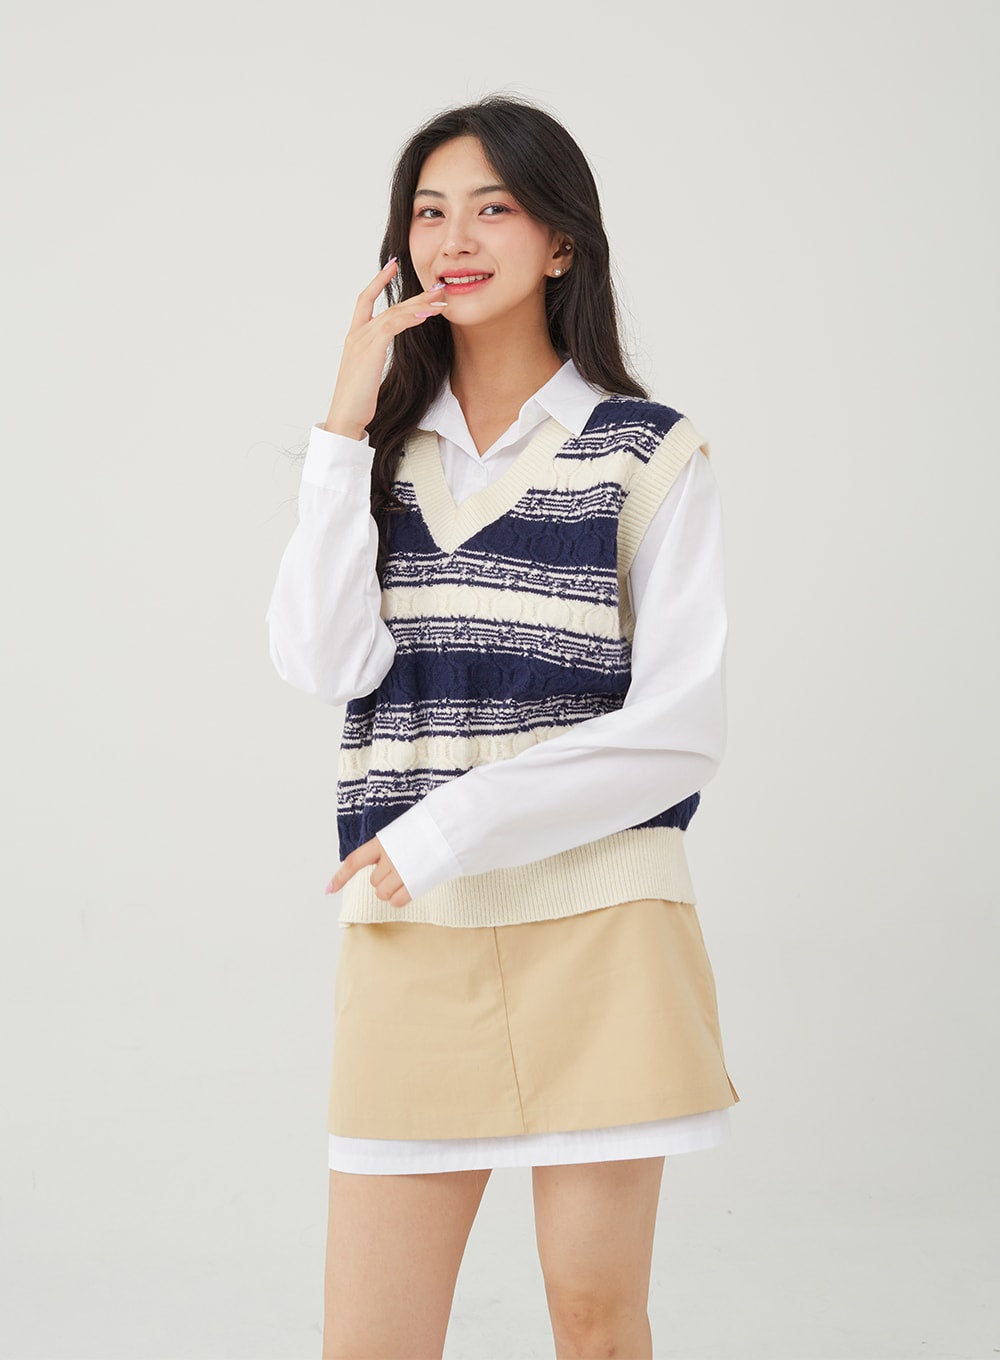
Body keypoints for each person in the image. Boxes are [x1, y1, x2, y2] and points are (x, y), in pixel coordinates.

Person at [266, 93, 740, 1360]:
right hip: (414, 938)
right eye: (429, 212)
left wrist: (451, 824)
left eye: (494, 208)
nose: (454, 238)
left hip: (603, 931)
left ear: (561, 242)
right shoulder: (372, 465)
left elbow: (680, 729)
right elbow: (321, 660)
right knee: (371, 1340)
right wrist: (340, 425)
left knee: (595, 1321)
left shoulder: (648, 455)